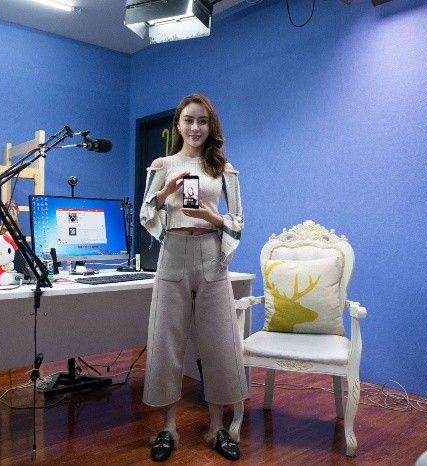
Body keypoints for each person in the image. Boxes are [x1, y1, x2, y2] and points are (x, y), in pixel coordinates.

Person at [139, 94, 248, 462]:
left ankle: (217, 428)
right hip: (173, 253)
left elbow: (238, 221)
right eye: (188, 120)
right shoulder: (163, 164)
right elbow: (146, 213)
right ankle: (168, 428)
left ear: (210, 125)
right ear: (178, 124)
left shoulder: (224, 169)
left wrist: (210, 217)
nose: (195, 127)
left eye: (202, 121)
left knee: (220, 342)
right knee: (166, 341)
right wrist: (166, 191)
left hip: (211, 254)